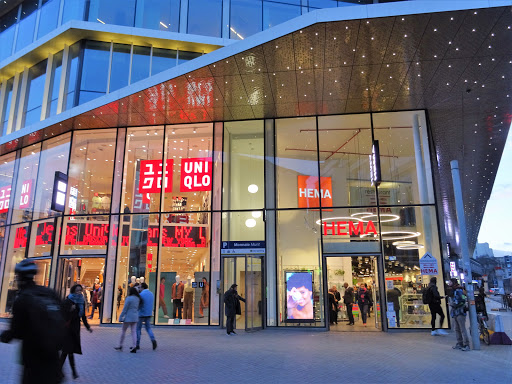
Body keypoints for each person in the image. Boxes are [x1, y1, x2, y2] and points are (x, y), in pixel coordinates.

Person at [0, 259, 64, 384]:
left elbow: (16, 332)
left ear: (19, 276)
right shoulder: (49, 293)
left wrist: (5, 336)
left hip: (33, 359)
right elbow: (63, 316)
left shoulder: (23, 298)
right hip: (54, 358)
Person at [60, 284, 93, 380]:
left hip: (75, 329)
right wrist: (70, 310)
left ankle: (60, 370)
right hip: (67, 329)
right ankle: (72, 372)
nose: (79, 293)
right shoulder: (68, 301)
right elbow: (62, 314)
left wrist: (87, 327)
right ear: (73, 291)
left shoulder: (81, 302)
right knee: (68, 351)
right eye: (77, 291)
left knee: (67, 351)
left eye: (80, 291)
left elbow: (83, 317)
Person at [115, 287, 141, 353]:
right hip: (135, 317)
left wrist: (121, 317)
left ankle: (120, 345)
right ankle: (134, 346)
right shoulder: (137, 299)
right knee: (133, 332)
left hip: (128, 317)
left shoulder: (129, 298)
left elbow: (125, 308)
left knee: (123, 331)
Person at [449, 278, 470, 351]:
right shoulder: (454, 290)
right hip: (456, 312)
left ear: (453, 282)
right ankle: (460, 343)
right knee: (457, 329)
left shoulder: (458, 290)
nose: (449, 283)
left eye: (450, 282)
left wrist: (452, 304)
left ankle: (466, 344)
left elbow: (461, 300)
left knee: (462, 329)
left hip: (460, 312)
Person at [136, 283, 157, 350]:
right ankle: (153, 339)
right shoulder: (151, 294)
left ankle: (137, 344)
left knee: (138, 329)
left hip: (141, 314)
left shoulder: (141, 295)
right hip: (148, 313)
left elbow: (139, 304)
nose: (139, 289)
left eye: (140, 287)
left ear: (142, 287)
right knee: (148, 328)